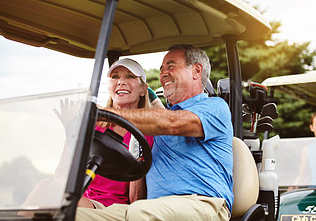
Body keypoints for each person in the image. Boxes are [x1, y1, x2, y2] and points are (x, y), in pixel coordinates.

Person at [76, 44, 233, 221]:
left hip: (203, 204)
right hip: (154, 208)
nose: (162, 74)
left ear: (196, 71)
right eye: (161, 69)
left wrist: (102, 113)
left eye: (171, 66)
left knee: (140, 212)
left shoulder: (214, 107)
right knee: (68, 214)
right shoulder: (159, 119)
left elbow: (172, 123)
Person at [79, 58, 155, 209]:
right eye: (115, 77)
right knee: (48, 189)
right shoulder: (94, 125)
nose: (121, 82)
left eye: (130, 76)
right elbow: (67, 177)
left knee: (62, 201)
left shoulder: (149, 133)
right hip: (84, 198)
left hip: (114, 208)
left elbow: (136, 200)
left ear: (143, 90)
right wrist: (71, 132)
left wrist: (137, 161)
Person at [289, 112, 316, 190]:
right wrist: (293, 185)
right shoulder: (307, 150)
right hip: (314, 190)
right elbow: (303, 174)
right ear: (311, 127)